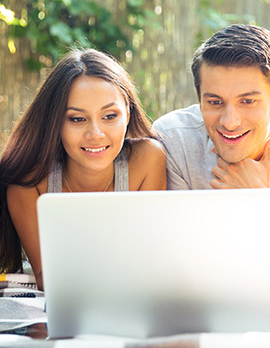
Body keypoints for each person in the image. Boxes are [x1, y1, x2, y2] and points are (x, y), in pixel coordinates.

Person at [0, 49, 166, 290]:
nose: (95, 134)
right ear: (55, 122)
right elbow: (51, 281)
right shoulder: (28, 182)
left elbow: (150, 263)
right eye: (77, 119)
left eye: (110, 116)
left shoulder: (148, 160)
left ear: (127, 114)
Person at [153, 24, 270, 235]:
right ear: (199, 100)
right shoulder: (172, 139)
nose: (230, 122)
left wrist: (260, 201)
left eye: (248, 101)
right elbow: (177, 247)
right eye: (215, 102)